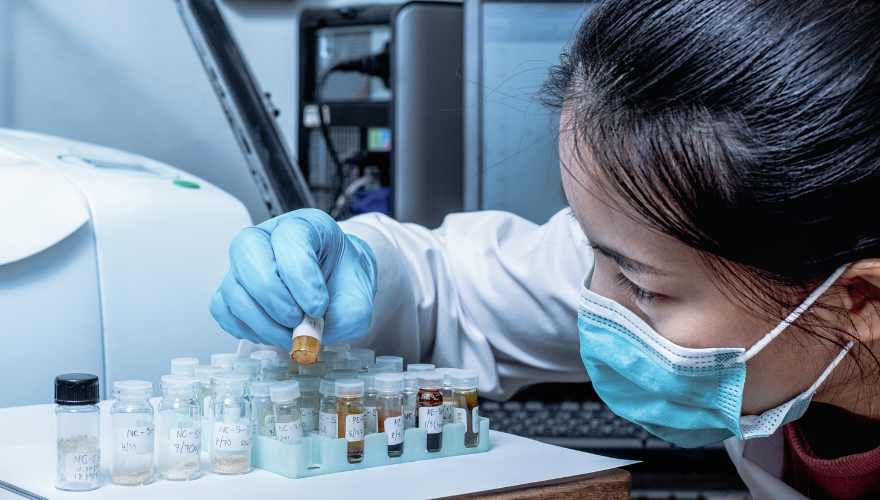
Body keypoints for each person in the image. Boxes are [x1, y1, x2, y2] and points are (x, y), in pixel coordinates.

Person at [208, 0, 880, 498]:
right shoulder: (718, 261)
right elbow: (456, 292)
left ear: (861, 299)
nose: (588, 301)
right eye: (593, 250)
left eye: (642, 287)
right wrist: (356, 272)